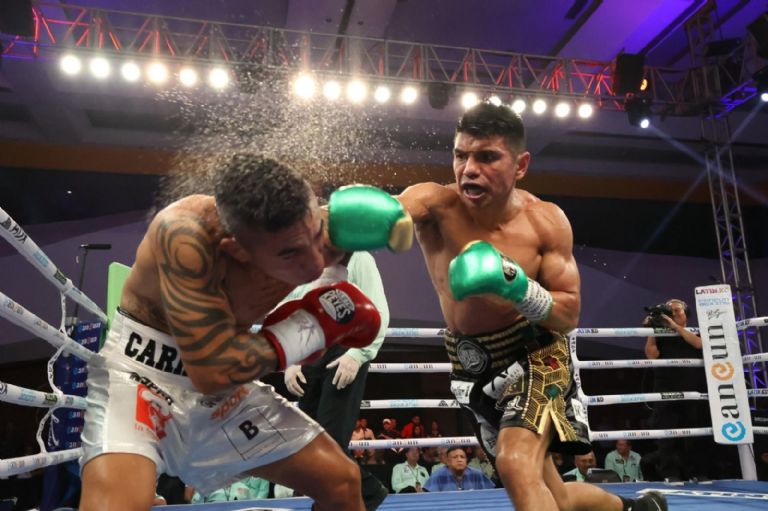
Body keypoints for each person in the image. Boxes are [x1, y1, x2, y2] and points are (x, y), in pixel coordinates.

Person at [78, 154, 413, 511]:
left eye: (317, 236)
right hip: (141, 378)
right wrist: (311, 329)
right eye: (291, 253)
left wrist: (392, 226)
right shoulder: (184, 238)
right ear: (236, 248)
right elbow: (212, 372)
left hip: (227, 395)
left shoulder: (323, 225)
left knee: (343, 482)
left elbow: (423, 203)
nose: (314, 263)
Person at [377, 102, 668, 511]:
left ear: (521, 165)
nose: (469, 169)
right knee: (555, 495)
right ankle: (636, 509)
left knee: (514, 462)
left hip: (536, 354)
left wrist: (514, 286)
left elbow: (568, 314)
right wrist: (331, 219)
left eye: (487, 157)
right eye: (461, 155)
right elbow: (389, 211)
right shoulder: (435, 204)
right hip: (473, 364)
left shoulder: (544, 222)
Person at [282, 250, 391, 509]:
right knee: (309, 444)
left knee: (332, 441)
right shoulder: (299, 260)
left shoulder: (358, 256)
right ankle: (363, 494)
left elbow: (378, 309)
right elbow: (287, 308)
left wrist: (357, 354)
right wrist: (290, 360)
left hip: (344, 349)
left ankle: (362, 497)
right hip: (307, 351)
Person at [642, 298, 709, 481]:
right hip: (665, 388)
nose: (672, 313)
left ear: (686, 314)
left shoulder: (694, 331)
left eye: (677, 310)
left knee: (695, 434)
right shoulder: (661, 334)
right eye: (669, 310)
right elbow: (651, 356)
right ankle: (670, 474)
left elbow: (699, 344)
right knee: (666, 436)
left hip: (692, 389)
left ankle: (697, 472)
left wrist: (675, 327)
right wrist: (653, 330)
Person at [423, 446, 495, 492]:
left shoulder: (477, 474)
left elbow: (491, 494)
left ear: (466, 460)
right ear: (448, 462)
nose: (459, 460)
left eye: (462, 457)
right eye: (455, 457)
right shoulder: (437, 476)